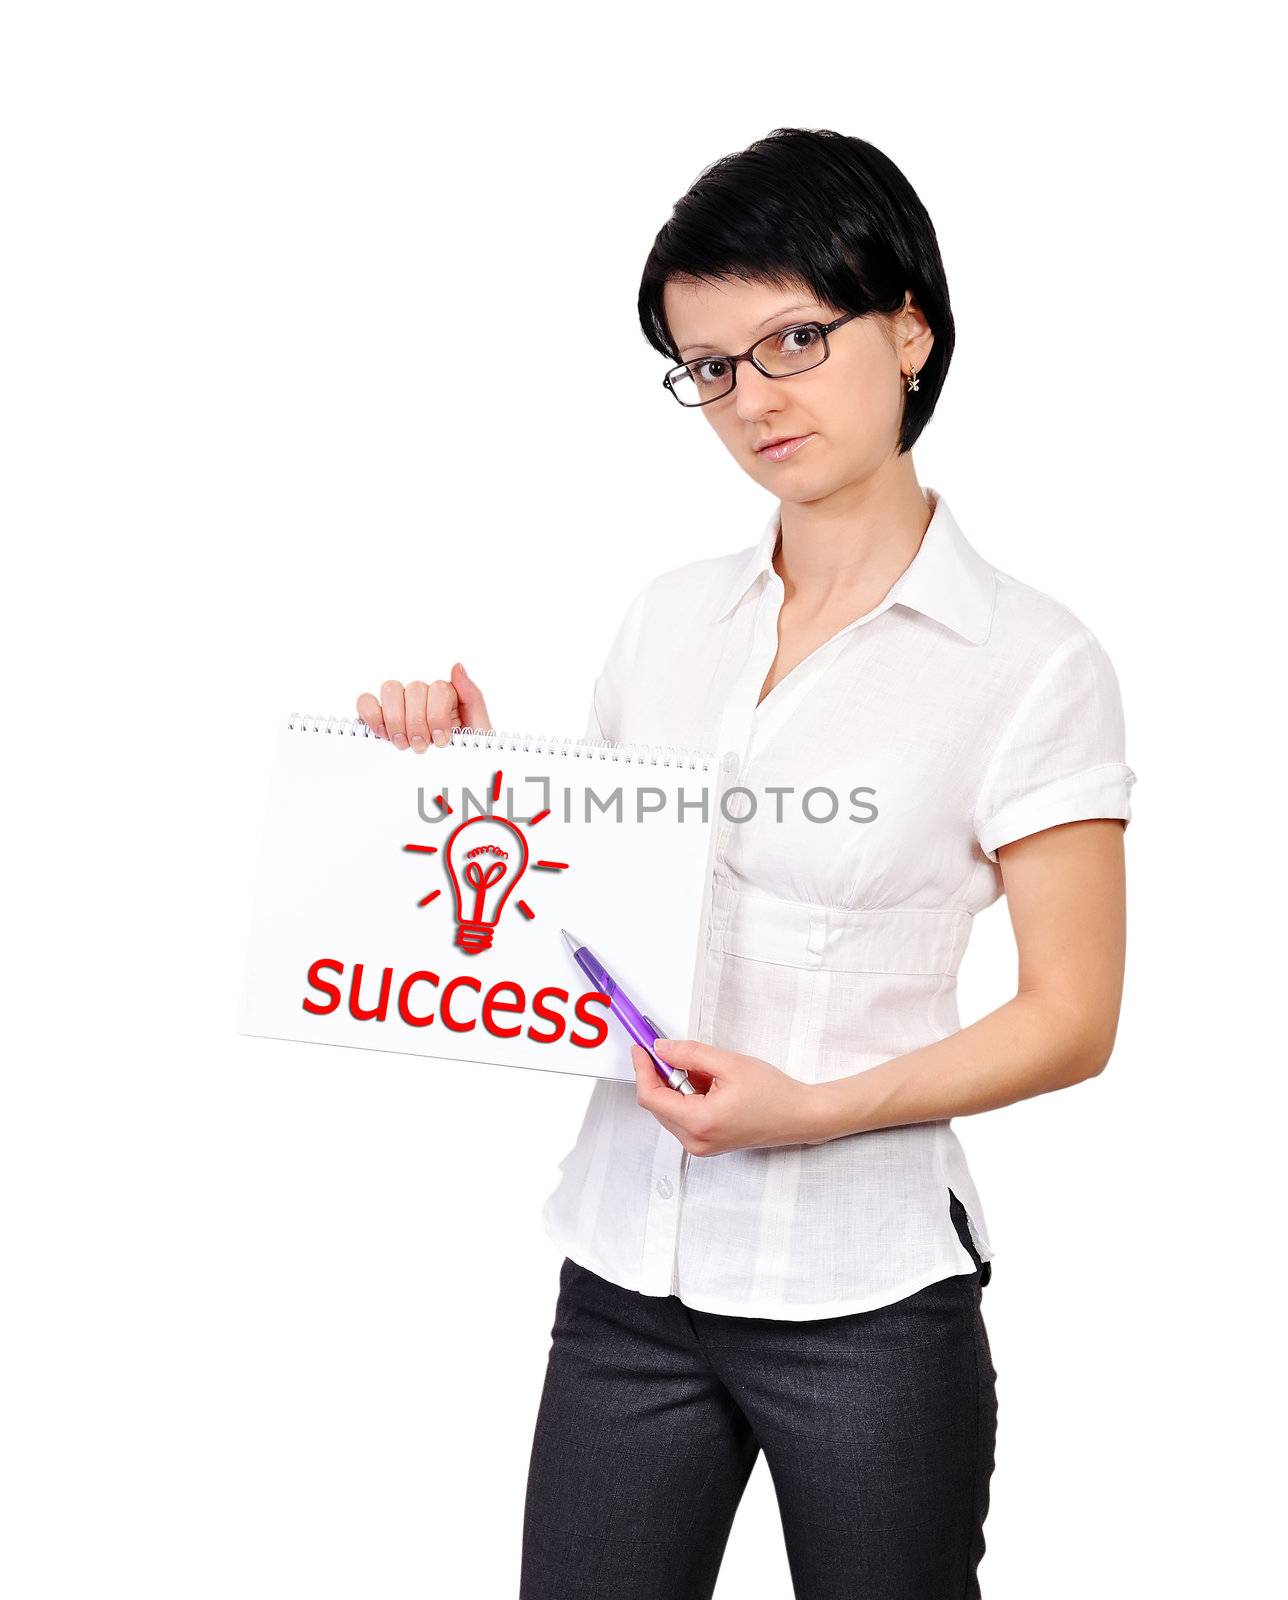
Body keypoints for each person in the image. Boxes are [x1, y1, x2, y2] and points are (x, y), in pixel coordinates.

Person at [356, 128, 1136, 1600]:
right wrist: (459, 783)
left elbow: (1072, 1016)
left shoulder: (1033, 664)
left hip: (868, 1301)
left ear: (909, 326)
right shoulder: (666, 621)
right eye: (708, 365)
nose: (750, 398)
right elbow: (583, 940)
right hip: (624, 1279)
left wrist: (813, 1110)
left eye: (791, 338)